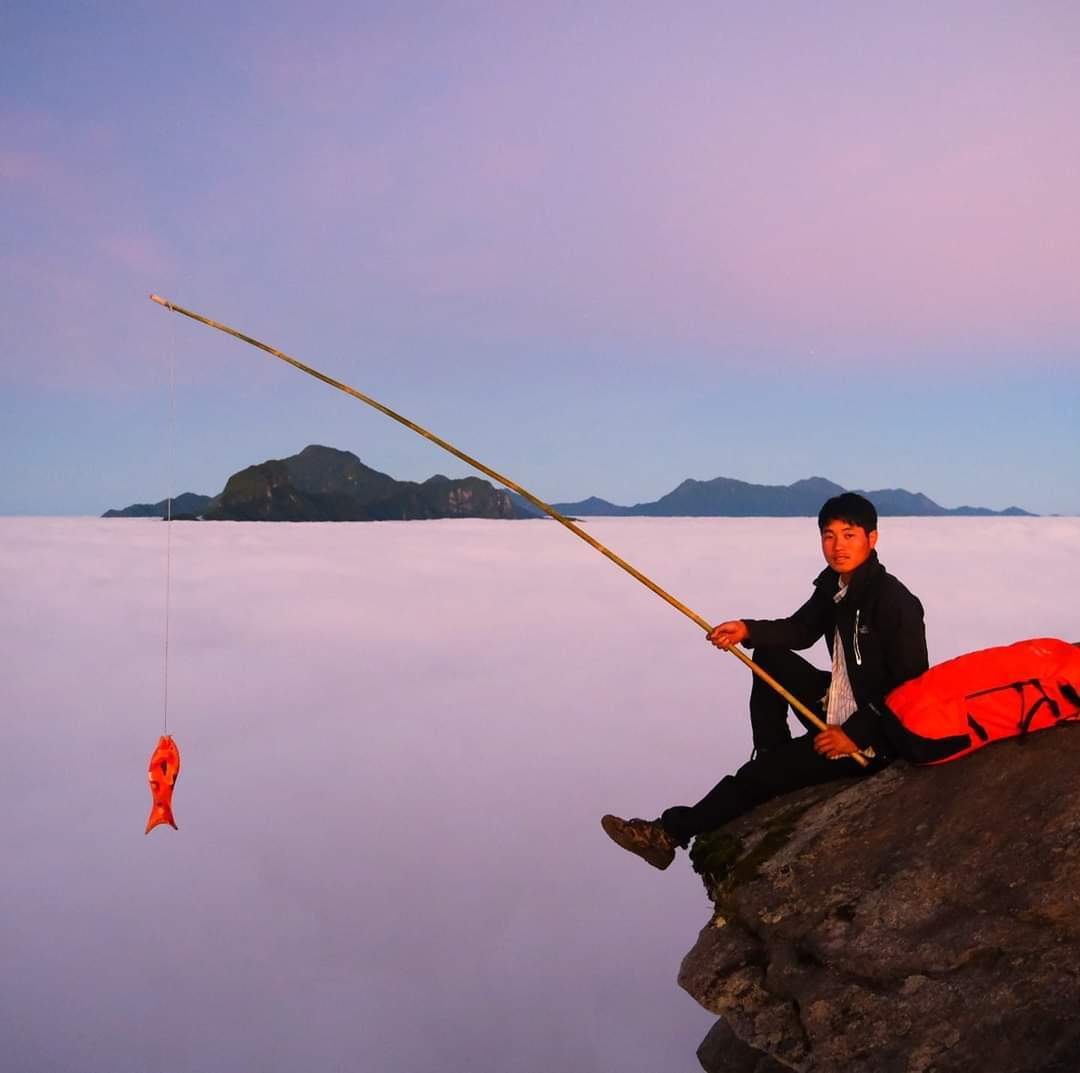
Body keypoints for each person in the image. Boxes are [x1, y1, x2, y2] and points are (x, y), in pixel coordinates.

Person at [601, 492, 929, 870]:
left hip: (874, 742)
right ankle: (774, 754)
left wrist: (854, 734)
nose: (837, 546)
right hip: (841, 703)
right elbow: (801, 630)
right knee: (769, 658)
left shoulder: (894, 602)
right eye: (829, 535)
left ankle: (668, 834)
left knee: (757, 778)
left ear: (872, 539)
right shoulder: (836, 588)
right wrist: (746, 630)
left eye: (849, 535)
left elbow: (910, 688)